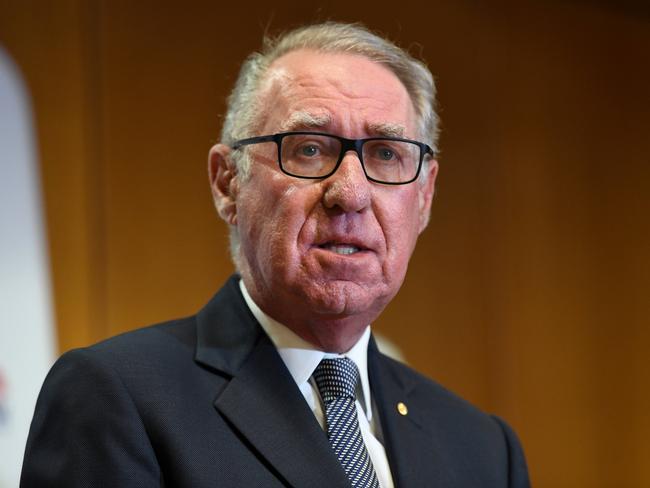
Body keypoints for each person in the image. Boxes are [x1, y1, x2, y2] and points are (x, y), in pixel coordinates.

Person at [21, 22, 529, 487]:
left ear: (424, 196)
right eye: (310, 148)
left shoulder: (483, 449)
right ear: (227, 183)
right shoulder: (119, 398)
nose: (350, 193)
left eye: (386, 154)